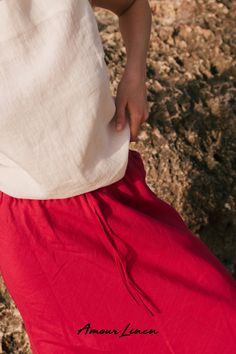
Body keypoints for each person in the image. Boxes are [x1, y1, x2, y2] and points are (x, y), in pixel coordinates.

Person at [0, 1, 235, 353]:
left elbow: (132, 5)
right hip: (35, 233)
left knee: (222, 321)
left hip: (120, 200)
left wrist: (135, 76)